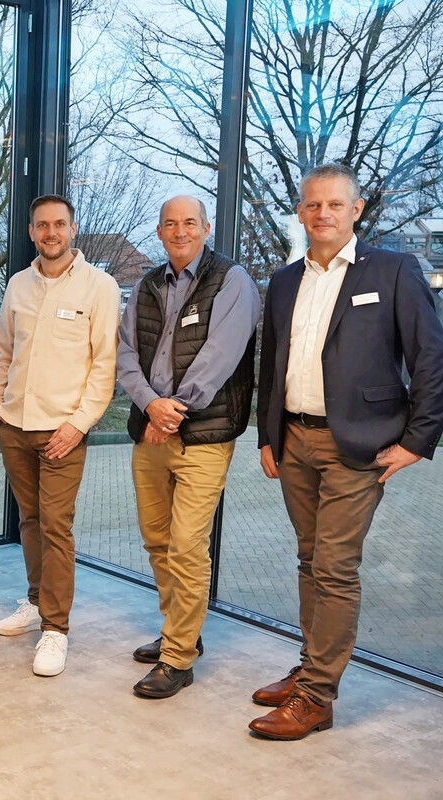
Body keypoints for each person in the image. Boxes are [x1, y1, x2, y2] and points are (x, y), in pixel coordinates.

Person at [250, 164, 443, 739]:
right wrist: (267, 435)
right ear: (301, 212)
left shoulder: (393, 270)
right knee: (309, 559)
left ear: (356, 210)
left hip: (359, 445)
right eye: (313, 205)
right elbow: (272, 364)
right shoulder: (285, 280)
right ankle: (311, 666)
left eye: (335, 204)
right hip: (294, 440)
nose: (323, 214)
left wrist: (417, 441)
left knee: (334, 567)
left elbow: (431, 360)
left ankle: (315, 697)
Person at [117, 195, 261, 698]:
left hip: (200, 435)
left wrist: (172, 410)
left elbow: (221, 355)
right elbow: (125, 352)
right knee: (157, 541)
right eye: (171, 223)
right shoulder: (147, 285)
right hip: (150, 430)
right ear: (159, 231)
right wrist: (149, 405)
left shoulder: (232, 280)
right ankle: (180, 629)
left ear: (205, 228)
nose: (180, 231)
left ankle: (178, 659)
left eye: (190, 223)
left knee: (185, 546)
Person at [0, 194, 120, 676]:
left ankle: (55, 629)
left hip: (62, 430)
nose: (50, 233)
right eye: (41, 225)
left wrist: (78, 424)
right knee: (29, 520)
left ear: (72, 228)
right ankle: (34, 602)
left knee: (55, 527)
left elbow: (104, 365)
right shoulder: (18, 285)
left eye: (59, 224)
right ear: (31, 232)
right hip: (14, 424)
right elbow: (2, 351)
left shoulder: (99, 287)